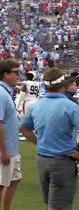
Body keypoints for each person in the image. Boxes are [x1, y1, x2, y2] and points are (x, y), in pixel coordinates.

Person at [19, 67, 79, 210]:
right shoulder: (71, 107)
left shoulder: (36, 106)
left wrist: (40, 142)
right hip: (63, 160)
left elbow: (23, 128)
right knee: (58, 206)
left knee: (51, 204)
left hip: (42, 159)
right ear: (63, 85)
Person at [0, 59, 22, 210]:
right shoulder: (0, 93)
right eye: (16, 72)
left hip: (10, 147)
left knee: (14, 180)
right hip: (4, 149)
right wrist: (3, 151)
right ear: (6, 74)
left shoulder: (4, 91)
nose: (18, 76)